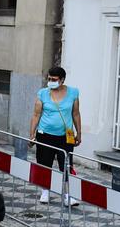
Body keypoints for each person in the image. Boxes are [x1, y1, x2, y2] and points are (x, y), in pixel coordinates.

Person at [29, 66, 82, 205]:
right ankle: (45, 191)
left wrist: (79, 133)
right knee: (44, 163)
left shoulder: (73, 93)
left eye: (54, 79)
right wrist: (32, 134)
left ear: (62, 80)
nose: (50, 81)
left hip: (66, 136)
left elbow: (76, 113)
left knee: (66, 164)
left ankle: (67, 195)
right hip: (45, 134)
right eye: (49, 78)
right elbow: (36, 114)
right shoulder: (43, 93)